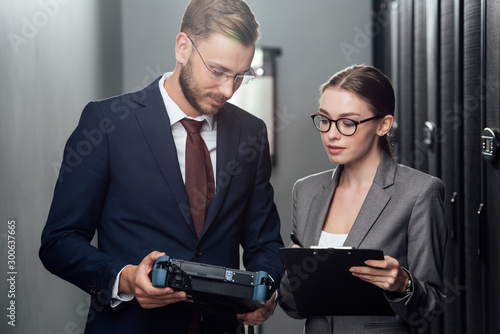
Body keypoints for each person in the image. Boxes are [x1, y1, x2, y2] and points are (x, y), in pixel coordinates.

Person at [39, 0, 284, 333]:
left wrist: (266, 287)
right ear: (183, 47)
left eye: (240, 76)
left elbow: (264, 243)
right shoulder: (108, 124)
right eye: (218, 71)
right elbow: (59, 242)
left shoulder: (251, 132)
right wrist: (126, 279)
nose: (228, 90)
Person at [278, 65, 446, 333]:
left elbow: (431, 310)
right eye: (324, 119)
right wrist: (292, 279)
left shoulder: (420, 192)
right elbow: (293, 307)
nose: (331, 133)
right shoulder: (306, 191)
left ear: (383, 125)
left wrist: (404, 285)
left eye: (347, 123)